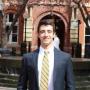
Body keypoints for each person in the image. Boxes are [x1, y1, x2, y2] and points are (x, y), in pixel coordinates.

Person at [17, 19, 75, 90]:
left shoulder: (65, 58)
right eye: (42, 32)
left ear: (53, 34)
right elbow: (21, 85)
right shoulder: (28, 58)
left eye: (49, 31)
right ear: (38, 34)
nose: (46, 35)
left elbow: (70, 86)